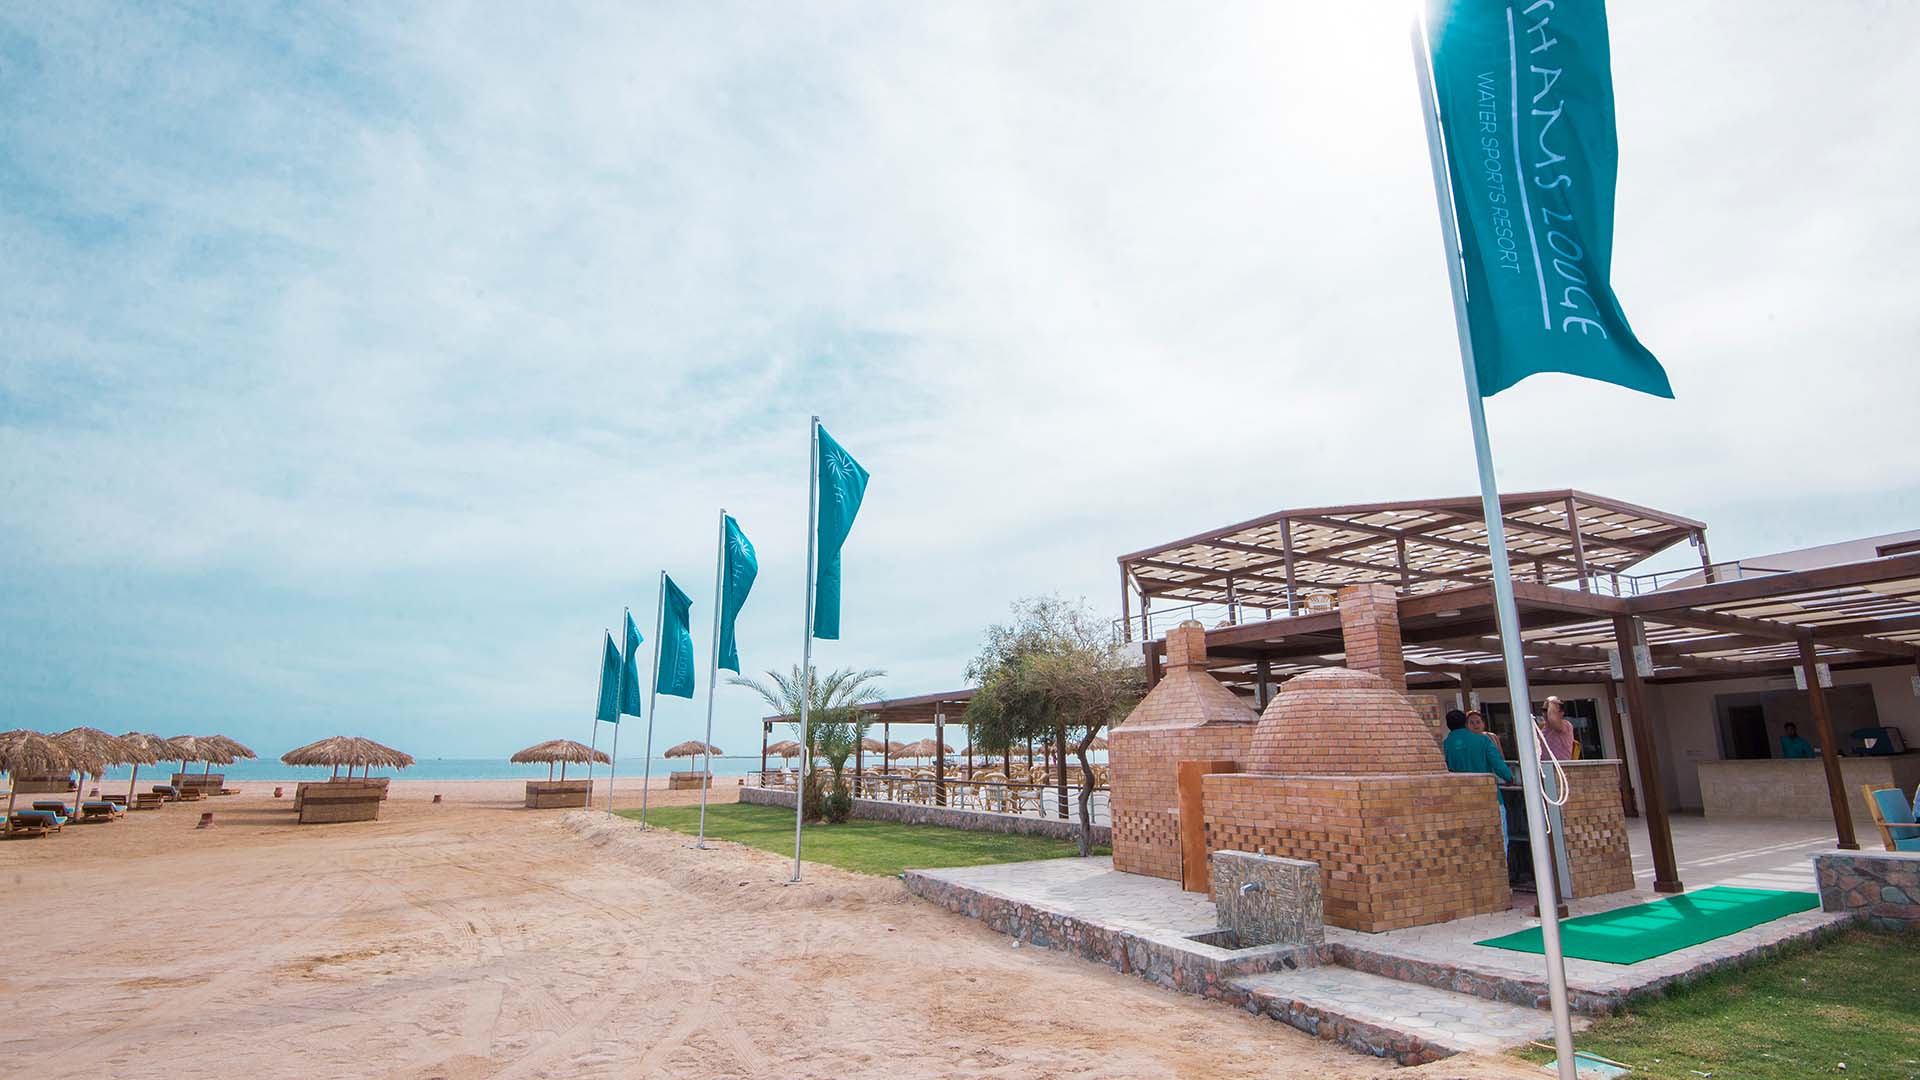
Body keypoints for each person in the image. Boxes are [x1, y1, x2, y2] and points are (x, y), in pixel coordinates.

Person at [1444, 709, 1513, 841]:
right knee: (1500, 838)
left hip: (1461, 800)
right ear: (1465, 723)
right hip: (1489, 796)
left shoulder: (1445, 745)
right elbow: (1497, 763)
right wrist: (1509, 778)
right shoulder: (1483, 741)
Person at [1540, 696, 1577, 761]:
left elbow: (1552, 719)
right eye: (1544, 710)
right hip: (1545, 767)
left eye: (1549, 710)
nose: (1546, 713)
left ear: (1561, 713)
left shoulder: (1566, 725)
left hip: (1560, 767)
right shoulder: (1541, 727)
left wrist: (1551, 701)